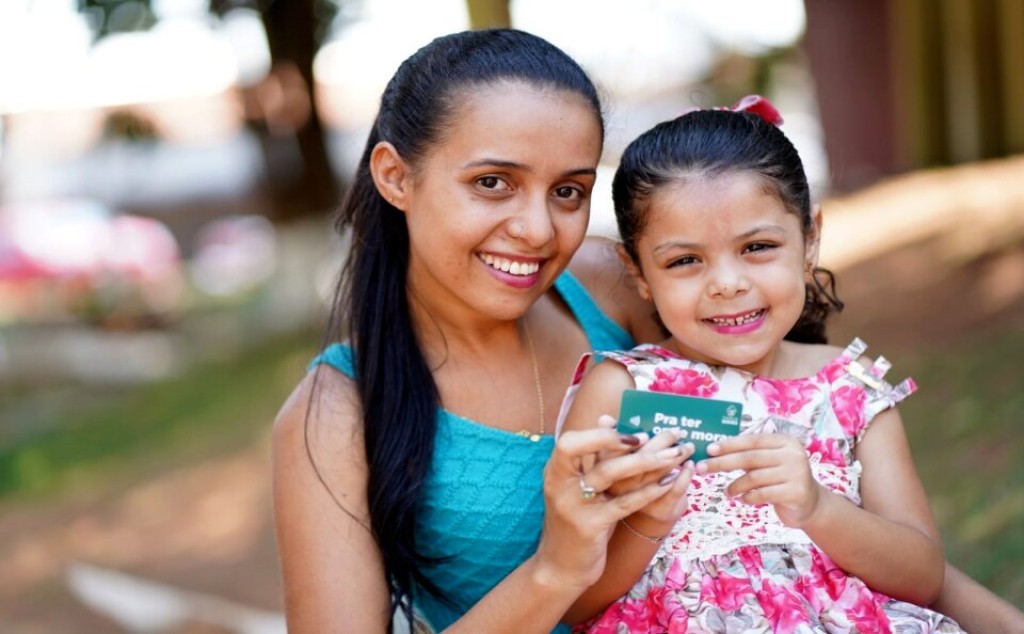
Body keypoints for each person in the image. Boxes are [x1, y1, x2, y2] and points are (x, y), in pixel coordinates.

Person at [271, 28, 1024, 634]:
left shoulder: (604, 285)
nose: (536, 229)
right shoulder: (334, 415)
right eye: (492, 182)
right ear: (396, 176)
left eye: (568, 191)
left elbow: (803, 428)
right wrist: (554, 570)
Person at [556, 97, 967, 632]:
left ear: (809, 240)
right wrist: (650, 521)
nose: (727, 282)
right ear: (636, 272)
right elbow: (574, 603)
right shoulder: (621, 391)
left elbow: (924, 578)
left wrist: (819, 508)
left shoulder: (851, 394)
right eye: (684, 260)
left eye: (757, 247)